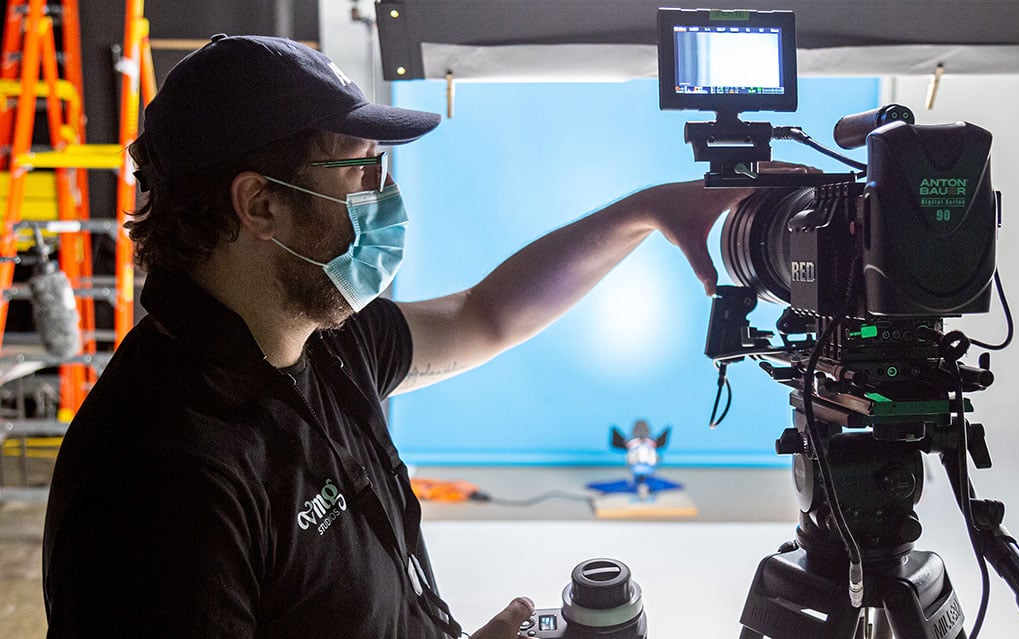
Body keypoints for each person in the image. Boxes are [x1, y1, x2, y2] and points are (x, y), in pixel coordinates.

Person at [41, 35, 751, 638]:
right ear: (260, 204)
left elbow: (486, 315)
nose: (385, 195)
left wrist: (649, 211)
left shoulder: (319, 338)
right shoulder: (159, 481)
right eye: (360, 169)